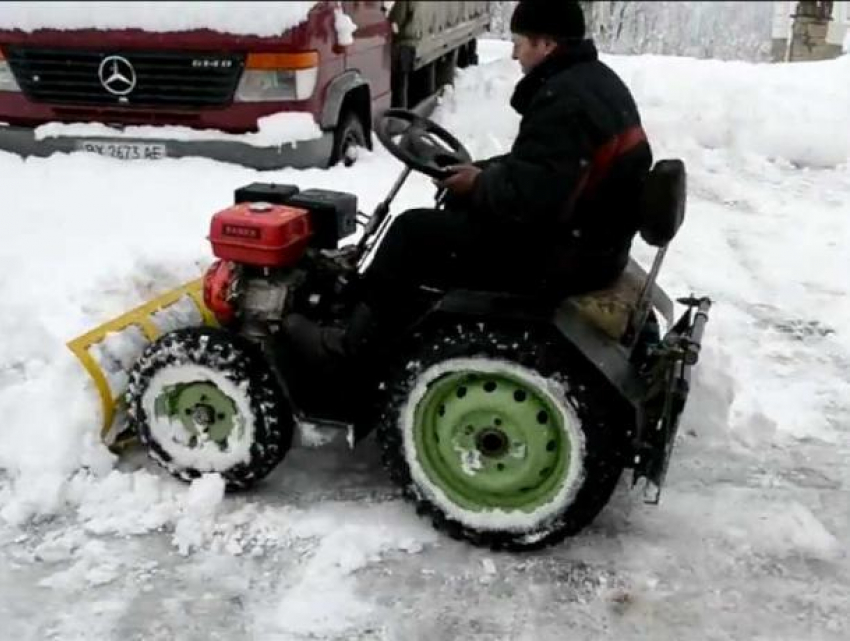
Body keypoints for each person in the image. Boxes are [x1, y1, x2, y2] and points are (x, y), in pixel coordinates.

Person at [281, 0, 652, 398]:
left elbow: (534, 200)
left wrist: (479, 185)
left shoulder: (565, 100)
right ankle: (376, 314)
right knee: (447, 218)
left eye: (520, 43)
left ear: (546, 44)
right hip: (589, 240)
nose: (514, 53)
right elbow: (545, 169)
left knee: (411, 232)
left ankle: (351, 351)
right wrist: (484, 173)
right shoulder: (592, 82)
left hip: (563, 254)